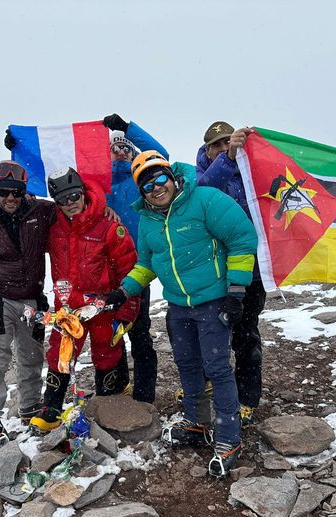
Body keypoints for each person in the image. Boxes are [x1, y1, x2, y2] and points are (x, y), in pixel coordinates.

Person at [104, 151, 258, 478]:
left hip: (214, 301)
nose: (156, 188)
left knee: (216, 366)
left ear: (172, 176)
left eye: (160, 179)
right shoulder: (147, 221)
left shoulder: (203, 199)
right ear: (141, 192)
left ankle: (229, 437)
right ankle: (196, 422)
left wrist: (236, 291)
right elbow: (146, 264)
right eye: (147, 185)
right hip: (178, 306)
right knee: (187, 364)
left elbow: (242, 238)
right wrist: (123, 291)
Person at [29, 167, 141, 432]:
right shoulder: (53, 228)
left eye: (75, 195)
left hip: (103, 306)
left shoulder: (109, 227)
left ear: (83, 192)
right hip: (68, 309)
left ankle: (108, 400)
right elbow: (24, 217)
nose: (71, 203)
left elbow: (129, 269)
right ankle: (51, 409)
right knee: (60, 354)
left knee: (107, 352)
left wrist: (126, 313)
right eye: (63, 199)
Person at [0, 160, 56, 450]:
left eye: (16, 192)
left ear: (23, 191)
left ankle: (30, 406)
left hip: (32, 298)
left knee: (32, 355)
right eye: (4, 191)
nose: (10, 198)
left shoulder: (40, 211)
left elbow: (72, 203)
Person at [195, 121, 265, 426]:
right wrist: (230, 157)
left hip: (252, 272)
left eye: (228, 143)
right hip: (212, 274)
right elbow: (203, 192)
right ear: (208, 151)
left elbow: (301, 180)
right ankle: (210, 382)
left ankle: (247, 397)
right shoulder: (202, 178)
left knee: (246, 335)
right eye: (218, 146)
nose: (224, 149)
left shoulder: (258, 175)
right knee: (210, 335)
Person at [100, 113, 169, 403]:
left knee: (139, 333)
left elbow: (161, 155)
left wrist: (127, 128)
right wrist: (20, 148)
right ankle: (115, 390)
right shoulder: (96, 183)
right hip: (104, 270)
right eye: (115, 147)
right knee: (108, 334)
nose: (120, 152)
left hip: (139, 268)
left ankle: (144, 397)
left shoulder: (140, 179)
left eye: (126, 147)